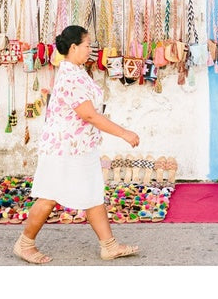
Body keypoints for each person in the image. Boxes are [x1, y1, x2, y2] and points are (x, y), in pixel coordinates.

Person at [12, 24, 142, 263]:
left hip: (81, 147)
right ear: (73, 47)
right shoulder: (70, 76)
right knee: (49, 196)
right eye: (87, 45)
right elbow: (89, 115)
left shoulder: (78, 71)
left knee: (93, 194)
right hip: (63, 148)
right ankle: (24, 243)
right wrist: (124, 133)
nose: (91, 50)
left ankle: (109, 245)